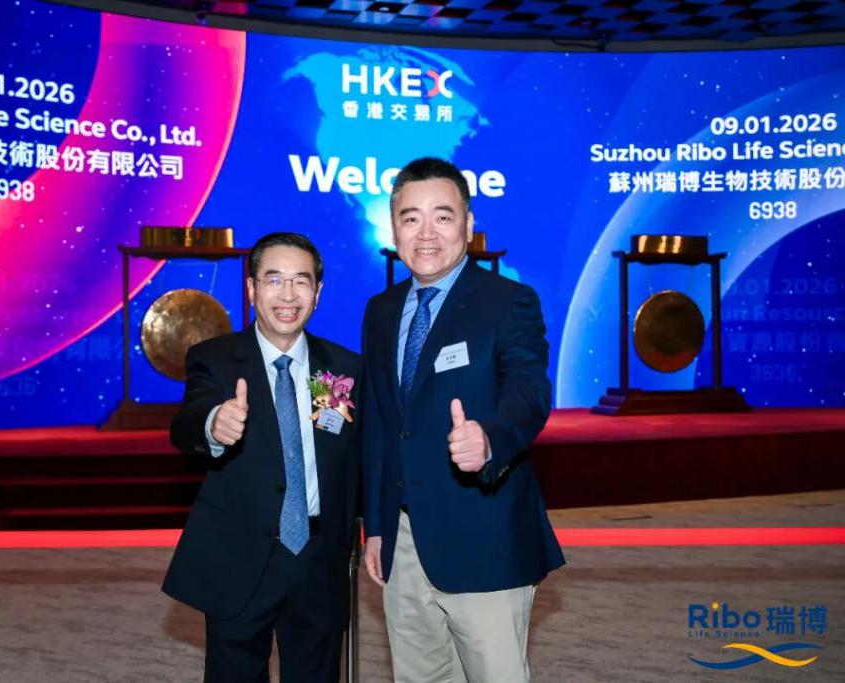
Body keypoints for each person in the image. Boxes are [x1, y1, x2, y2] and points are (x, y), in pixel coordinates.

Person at [360, 157, 564, 682]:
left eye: (443, 216)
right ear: (394, 229)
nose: (426, 233)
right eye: (411, 218)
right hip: (404, 542)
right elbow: (381, 425)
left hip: (484, 534)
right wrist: (377, 525)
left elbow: (529, 392)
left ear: (468, 225)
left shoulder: (508, 301)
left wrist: (490, 440)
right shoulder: (380, 311)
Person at [163, 232, 362, 682]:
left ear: (318, 292)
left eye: (301, 281)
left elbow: (360, 459)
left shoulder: (345, 368)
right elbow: (186, 422)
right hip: (240, 554)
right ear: (252, 288)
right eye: (273, 280)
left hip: (317, 558)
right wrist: (214, 423)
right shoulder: (214, 359)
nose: (287, 295)